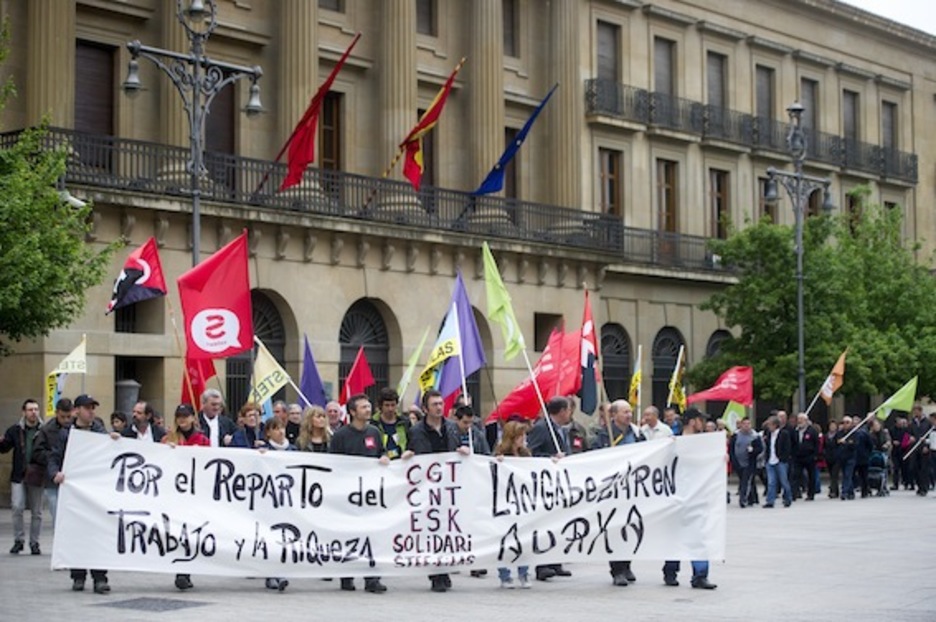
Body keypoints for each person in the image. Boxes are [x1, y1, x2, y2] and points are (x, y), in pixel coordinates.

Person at [48, 394, 113, 594]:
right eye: (87, 408)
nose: (91, 411)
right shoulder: (66, 433)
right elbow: (54, 456)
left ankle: (100, 577)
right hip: (75, 492)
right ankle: (78, 576)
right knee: (77, 533)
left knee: (97, 534)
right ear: (77, 411)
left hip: (95, 492)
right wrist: (55, 473)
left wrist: (115, 439)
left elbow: (110, 453)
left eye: (93, 407)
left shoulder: (100, 431)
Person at [408, 389, 467, 592]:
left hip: (448, 487)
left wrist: (464, 452)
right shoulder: (416, 430)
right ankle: (436, 573)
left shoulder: (452, 427)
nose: (439, 407)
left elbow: (457, 448)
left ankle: (444, 569)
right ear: (425, 408)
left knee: (446, 529)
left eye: (441, 403)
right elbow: (416, 454)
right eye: (435, 404)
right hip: (427, 487)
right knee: (431, 529)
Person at [330, 393, 389, 594]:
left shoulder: (374, 432)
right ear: (353, 412)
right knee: (349, 534)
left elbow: (382, 452)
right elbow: (333, 464)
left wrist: (384, 459)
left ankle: (372, 577)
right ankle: (347, 574)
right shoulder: (340, 436)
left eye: (368, 406)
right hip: (348, 494)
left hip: (370, 494)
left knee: (372, 534)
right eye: (363, 407)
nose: (368, 409)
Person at [662, 408, 716, 590]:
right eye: (701, 420)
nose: (703, 424)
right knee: (674, 535)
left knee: (698, 535)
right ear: (693, 422)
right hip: (677, 494)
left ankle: (700, 575)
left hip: (697, 495)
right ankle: (670, 571)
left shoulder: (705, 443)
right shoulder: (673, 442)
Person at [593, 399, 644, 586]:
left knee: (632, 527)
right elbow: (594, 456)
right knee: (615, 529)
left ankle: (627, 564)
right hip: (612, 490)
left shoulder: (638, 435)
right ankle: (617, 570)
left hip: (633, 488)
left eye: (630, 412)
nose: (629, 415)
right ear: (613, 415)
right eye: (625, 412)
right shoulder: (604, 435)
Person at [526, 396, 575, 582]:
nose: (570, 414)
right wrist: (551, 457)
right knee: (544, 523)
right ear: (562, 411)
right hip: (544, 483)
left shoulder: (560, 429)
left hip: (559, 484)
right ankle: (542, 565)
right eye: (568, 410)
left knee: (558, 522)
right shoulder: (541, 427)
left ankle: (555, 561)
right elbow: (531, 452)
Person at [161, 403, 209, 591]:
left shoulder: (203, 440)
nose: (182, 419)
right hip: (175, 493)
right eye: (179, 416)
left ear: (192, 418)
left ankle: (186, 571)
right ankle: (181, 572)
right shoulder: (168, 439)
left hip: (195, 493)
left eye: (185, 416)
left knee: (191, 533)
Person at [1, 398, 44, 555]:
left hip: (37, 473)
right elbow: (5, 447)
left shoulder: (43, 429)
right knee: (17, 507)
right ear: (24, 412)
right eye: (31, 410)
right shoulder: (15, 430)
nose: (34, 413)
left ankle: (35, 542)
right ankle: (18, 540)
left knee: (37, 511)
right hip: (19, 474)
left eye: (36, 410)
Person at [493, 421, 533, 589]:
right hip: (504, 502)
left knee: (523, 538)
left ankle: (523, 573)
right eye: (520, 436)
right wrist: (497, 462)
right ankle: (505, 575)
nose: (523, 439)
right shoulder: (500, 454)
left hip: (522, 502)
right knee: (504, 539)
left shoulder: (525, 454)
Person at [258, 417, 293, 592]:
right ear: (268, 433)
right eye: (275, 428)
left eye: (282, 427)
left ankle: (281, 571)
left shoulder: (294, 450)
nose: (280, 431)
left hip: (289, 501)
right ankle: (272, 574)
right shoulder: (262, 451)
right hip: (269, 502)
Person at [31, 398, 74, 523]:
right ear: (56, 413)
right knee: (57, 516)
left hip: (71, 477)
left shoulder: (76, 427)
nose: (66, 420)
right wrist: (53, 457)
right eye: (63, 417)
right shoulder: (46, 430)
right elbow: (37, 452)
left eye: (68, 417)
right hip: (52, 478)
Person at [729, 417, 763, 508]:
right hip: (738, 463)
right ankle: (751, 498)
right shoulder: (735, 435)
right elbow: (731, 449)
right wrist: (733, 460)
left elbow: (760, 449)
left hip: (749, 463)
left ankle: (743, 499)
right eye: (744, 424)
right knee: (745, 481)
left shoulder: (755, 436)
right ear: (741, 425)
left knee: (746, 481)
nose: (746, 426)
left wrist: (753, 451)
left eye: (748, 424)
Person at [372, 387, 411, 460]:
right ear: (381, 406)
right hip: (381, 463)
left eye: (393, 405)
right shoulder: (373, 423)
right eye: (387, 405)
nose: (390, 409)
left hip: (402, 463)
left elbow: (412, 443)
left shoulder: (405, 422)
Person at [763, 415, 792, 508]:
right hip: (770, 460)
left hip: (780, 461)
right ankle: (770, 501)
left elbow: (787, 447)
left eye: (770, 425)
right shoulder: (768, 434)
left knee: (784, 481)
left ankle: (788, 498)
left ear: (775, 425)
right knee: (771, 482)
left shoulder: (784, 434)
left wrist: (783, 458)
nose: (769, 427)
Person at [791, 413, 818, 501]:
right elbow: (793, 443)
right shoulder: (795, 431)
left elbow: (816, 444)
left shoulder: (812, 431)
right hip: (798, 457)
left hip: (809, 456)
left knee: (811, 476)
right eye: (798, 419)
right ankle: (794, 493)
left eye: (801, 419)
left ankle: (811, 494)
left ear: (806, 421)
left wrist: (815, 455)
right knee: (795, 475)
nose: (799, 421)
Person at [824, 420, 840, 499]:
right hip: (828, 457)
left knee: (834, 475)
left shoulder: (839, 435)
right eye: (831, 426)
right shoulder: (826, 435)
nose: (832, 427)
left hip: (837, 458)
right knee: (831, 475)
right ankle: (836, 491)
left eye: (834, 426)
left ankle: (832, 491)